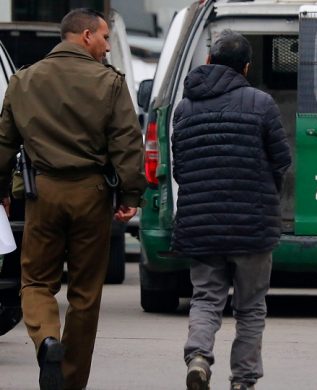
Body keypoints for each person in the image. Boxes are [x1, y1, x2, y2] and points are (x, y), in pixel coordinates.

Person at [0, 8, 147, 390]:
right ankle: (70, 381)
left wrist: (2, 192)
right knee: (85, 293)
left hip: (42, 193)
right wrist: (130, 194)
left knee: (35, 282)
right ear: (84, 36)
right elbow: (127, 143)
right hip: (91, 194)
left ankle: (47, 339)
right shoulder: (110, 83)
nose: (107, 46)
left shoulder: (23, 80)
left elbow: (3, 144)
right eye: (103, 38)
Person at [171, 29, 291, 390]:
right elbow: (281, 161)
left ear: (208, 61)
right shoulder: (262, 103)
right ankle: (243, 381)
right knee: (250, 307)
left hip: (201, 224)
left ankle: (198, 358)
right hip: (253, 226)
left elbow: (181, 168)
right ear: (247, 67)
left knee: (206, 298)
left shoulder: (184, 107)